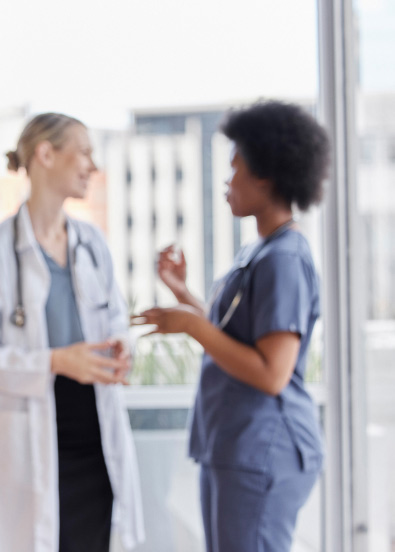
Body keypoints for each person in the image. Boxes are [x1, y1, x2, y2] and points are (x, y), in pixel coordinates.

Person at [136, 100, 328, 552]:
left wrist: (189, 325)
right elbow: (231, 335)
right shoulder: (260, 252)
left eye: (235, 168)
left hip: (264, 447)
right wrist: (183, 294)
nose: (226, 181)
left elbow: (271, 372)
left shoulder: (284, 259)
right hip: (234, 445)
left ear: (265, 175)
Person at [0, 113, 144, 552]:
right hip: (31, 437)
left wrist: (121, 348)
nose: (92, 167)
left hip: (95, 436)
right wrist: (56, 361)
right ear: (46, 154)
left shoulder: (91, 244)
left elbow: (116, 320)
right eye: (83, 152)